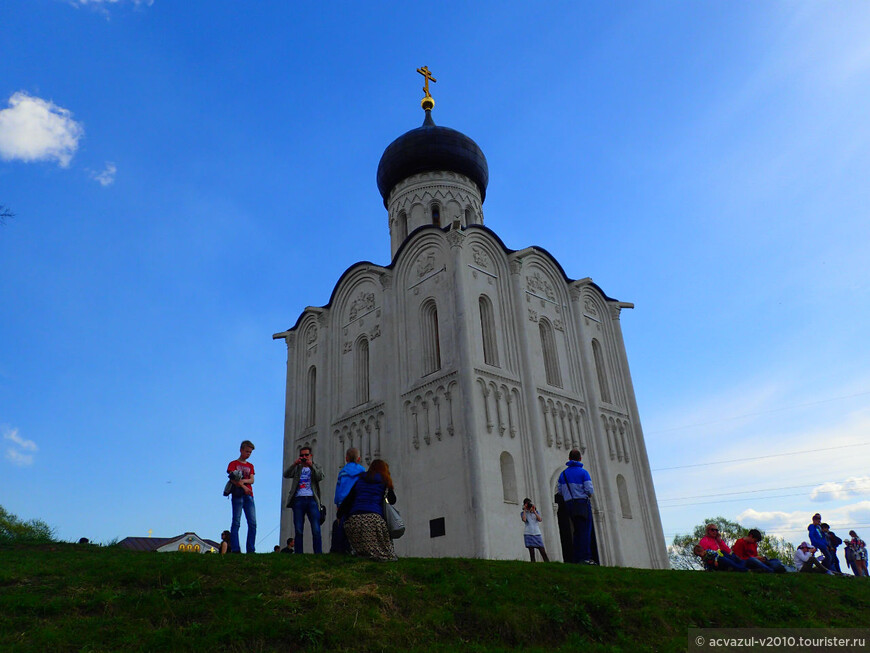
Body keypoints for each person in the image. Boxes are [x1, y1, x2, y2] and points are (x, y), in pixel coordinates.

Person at [339, 459, 398, 562]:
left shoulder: (360, 481)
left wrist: (340, 515)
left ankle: (363, 553)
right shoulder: (384, 481)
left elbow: (347, 501)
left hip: (354, 521)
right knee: (387, 553)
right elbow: (393, 500)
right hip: (374, 520)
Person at [556, 449, 595, 564]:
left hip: (569, 504)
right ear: (580, 459)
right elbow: (589, 490)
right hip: (582, 503)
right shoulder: (583, 472)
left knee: (577, 531)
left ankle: (577, 558)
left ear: (569, 459)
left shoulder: (563, 474)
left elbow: (560, 491)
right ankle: (585, 558)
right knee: (585, 531)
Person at [284, 446, 325, 554]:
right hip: (298, 499)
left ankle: (318, 553)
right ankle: (299, 553)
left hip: (312, 499)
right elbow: (286, 474)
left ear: (310, 456)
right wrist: (294, 464)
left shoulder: (316, 466)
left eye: (306, 455)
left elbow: (320, 476)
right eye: (302, 455)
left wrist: (311, 466)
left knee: (316, 528)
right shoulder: (298, 468)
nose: (304, 457)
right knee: (298, 529)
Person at [331, 447, 366, 554]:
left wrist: (337, 503)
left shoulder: (343, 472)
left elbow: (338, 489)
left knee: (342, 525)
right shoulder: (362, 472)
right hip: (356, 503)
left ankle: (342, 549)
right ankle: (357, 549)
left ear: (346, 458)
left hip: (343, 503)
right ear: (359, 459)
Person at [227, 440, 256, 553]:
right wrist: (244, 486)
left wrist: (242, 481)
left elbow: (252, 480)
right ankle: (235, 548)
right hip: (238, 494)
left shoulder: (250, 466)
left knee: (252, 523)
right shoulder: (233, 464)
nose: (248, 454)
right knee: (236, 522)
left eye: (250, 452)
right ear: (241, 450)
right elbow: (233, 479)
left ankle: (251, 548)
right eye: (247, 451)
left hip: (249, 495)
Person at [521, 498, 549, 562]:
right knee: (532, 552)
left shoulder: (536, 512)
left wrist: (534, 511)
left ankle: (547, 562)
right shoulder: (523, 513)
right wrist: (525, 510)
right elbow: (524, 519)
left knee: (542, 550)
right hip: (528, 533)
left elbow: (540, 519)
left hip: (537, 533)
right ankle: (533, 564)